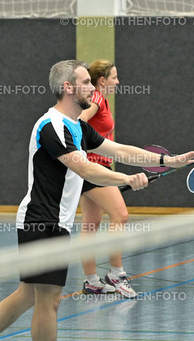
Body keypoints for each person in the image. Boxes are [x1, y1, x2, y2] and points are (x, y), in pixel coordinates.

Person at [0, 60, 194, 341]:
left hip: (52, 223)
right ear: (68, 87)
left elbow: (118, 150)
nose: (92, 88)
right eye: (85, 82)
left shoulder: (77, 126)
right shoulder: (52, 127)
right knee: (49, 301)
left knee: (28, 294)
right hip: (42, 222)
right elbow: (85, 169)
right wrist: (126, 180)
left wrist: (169, 161)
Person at [77, 60, 135, 297]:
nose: (118, 81)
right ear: (102, 80)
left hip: (92, 167)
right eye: (114, 77)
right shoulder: (97, 98)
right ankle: (117, 274)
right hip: (93, 168)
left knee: (91, 224)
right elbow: (77, 122)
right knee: (120, 215)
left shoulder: (102, 100)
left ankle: (91, 280)